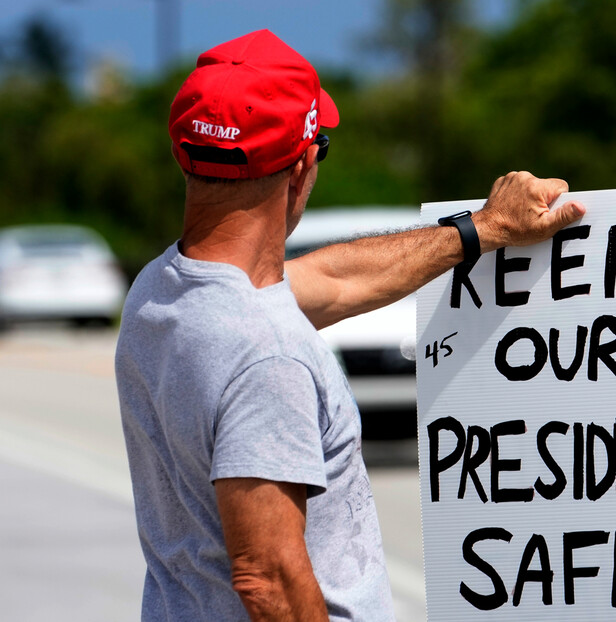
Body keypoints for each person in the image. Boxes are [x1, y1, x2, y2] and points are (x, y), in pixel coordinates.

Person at [115, 29, 584, 622]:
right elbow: (268, 581)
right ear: (304, 163)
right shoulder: (268, 353)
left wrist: (483, 229)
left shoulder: (161, 291)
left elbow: (333, 280)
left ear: (186, 153)